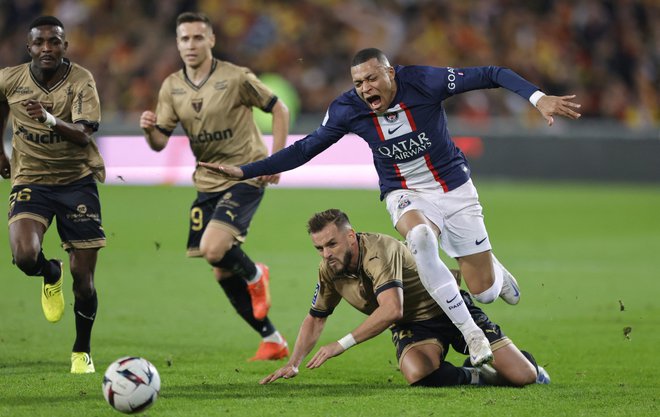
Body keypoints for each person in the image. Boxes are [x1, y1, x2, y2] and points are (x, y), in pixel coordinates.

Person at [200, 47, 582, 366]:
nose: (365, 88)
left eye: (371, 79)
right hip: (402, 191)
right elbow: (304, 149)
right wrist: (245, 170)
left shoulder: (425, 81)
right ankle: (473, 334)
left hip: (453, 185)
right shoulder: (348, 109)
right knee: (419, 238)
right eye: (358, 83)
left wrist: (538, 98)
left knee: (483, 290)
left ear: (390, 73)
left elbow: (493, 72)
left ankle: (494, 271)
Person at [139, 12, 290, 361]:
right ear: (177, 44)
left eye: (197, 38)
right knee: (222, 269)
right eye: (184, 39)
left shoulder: (236, 77)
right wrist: (149, 128)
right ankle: (272, 339)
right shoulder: (172, 87)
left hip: (244, 173)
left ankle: (256, 273)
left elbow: (278, 108)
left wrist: (276, 159)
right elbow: (160, 142)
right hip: (207, 180)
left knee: (213, 248)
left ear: (211, 40)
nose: (190, 45)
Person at [260, 209, 549, 387]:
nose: (326, 254)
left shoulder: (379, 251)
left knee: (523, 376)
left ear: (350, 237)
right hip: (416, 325)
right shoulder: (330, 270)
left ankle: (525, 362)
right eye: (319, 248)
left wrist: (341, 344)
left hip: (449, 308)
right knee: (417, 373)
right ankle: (476, 375)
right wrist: (294, 362)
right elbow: (315, 318)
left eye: (331, 244)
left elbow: (392, 310)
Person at [0, 16, 105, 374]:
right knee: (26, 256)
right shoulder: (10, 78)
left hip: (76, 181)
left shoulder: (81, 81)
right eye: (40, 42)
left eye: (54, 42)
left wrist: (46, 119)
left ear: (65, 46)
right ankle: (49, 273)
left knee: (84, 280)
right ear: (28, 47)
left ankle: (81, 350)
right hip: (30, 179)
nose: (47, 48)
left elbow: (82, 135)